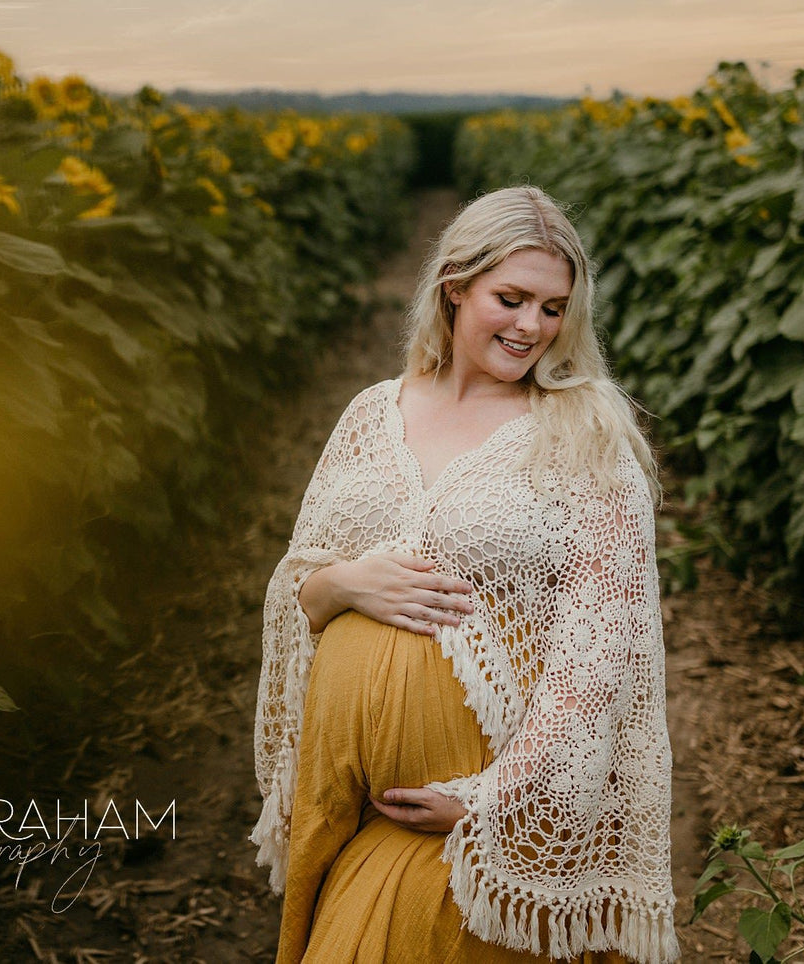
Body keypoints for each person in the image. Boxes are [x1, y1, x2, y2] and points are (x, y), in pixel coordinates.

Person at [250, 185, 679, 963]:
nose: (530, 328)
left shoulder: (585, 435)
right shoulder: (370, 413)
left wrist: (490, 797)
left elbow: (602, 645)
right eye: (509, 299)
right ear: (453, 287)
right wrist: (347, 584)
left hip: (473, 824)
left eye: (552, 308)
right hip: (349, 808)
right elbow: (298, 587)